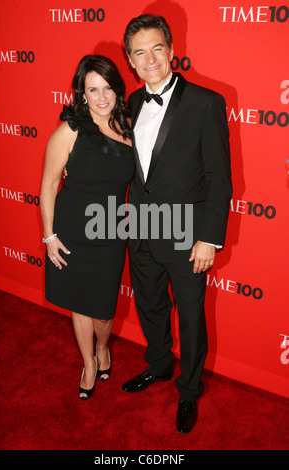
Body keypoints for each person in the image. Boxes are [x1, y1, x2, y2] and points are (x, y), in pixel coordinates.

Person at [121, 15, 232, 433]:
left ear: (171, 50)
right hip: (140, 230)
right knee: (150, 306)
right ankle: (160, 366)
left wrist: (209, 238)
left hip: (188, 235)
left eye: (156, 48)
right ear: (131, 61)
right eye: (139, 52)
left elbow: (219, 178)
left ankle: (189, 391)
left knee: (189, 315)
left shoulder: (206, 102)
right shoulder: (130, 102)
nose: (149, 59)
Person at [40, 55, 135, 400]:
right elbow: (49, 184)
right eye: (93, 89)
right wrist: (49, 235)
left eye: (108, 87)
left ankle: (103, 347)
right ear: (82, 93)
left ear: (117, 89)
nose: (101, 96)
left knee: (104, 314)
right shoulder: (70, 130)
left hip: (111, 232)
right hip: (72, 231)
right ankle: (90, 363)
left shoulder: (129, 126)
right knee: (79, 305)